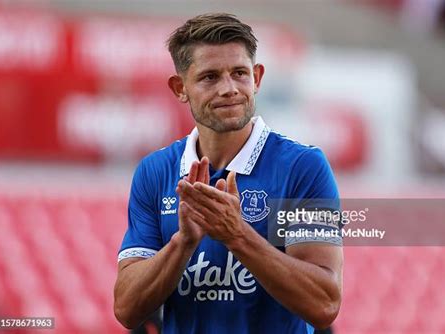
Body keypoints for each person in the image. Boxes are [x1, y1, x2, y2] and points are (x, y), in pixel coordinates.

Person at [114, 13, 343, 334]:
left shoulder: (302, 166)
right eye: (210, 77)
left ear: (258, 78)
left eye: (239, 73)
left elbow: (324, 305)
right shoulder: (155, 171)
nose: (229, 89)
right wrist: (183, 243)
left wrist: (236, 235)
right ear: (180, 87)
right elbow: (126, 309)